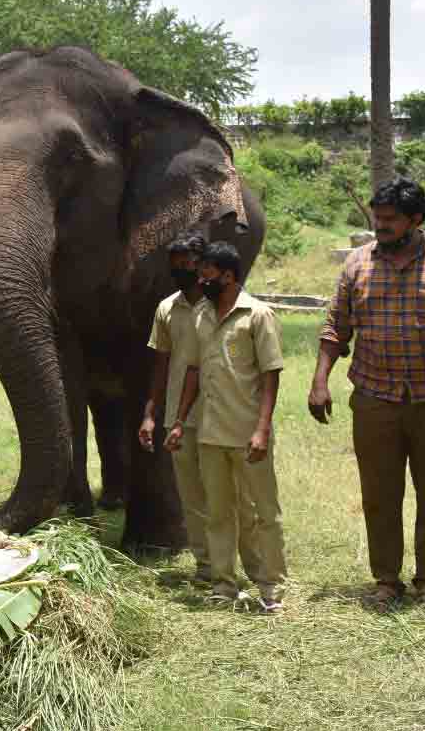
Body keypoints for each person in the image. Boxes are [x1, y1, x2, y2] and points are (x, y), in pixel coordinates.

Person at [310, 177, 425, 611]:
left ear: (415, 219)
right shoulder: (358, 264)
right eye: (377, 217)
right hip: (375, 399)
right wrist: (320, 380)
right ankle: (386, 580)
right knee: (379, 495)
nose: (379, 225)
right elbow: (336, 327)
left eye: (389, 219)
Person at [166, 242, 287, 612]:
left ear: (229, 276)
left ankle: (271, 586)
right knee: (218, 513)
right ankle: (223, 584)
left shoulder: (258, 315)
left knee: (263, 512)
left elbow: (270, 375)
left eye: (207, 274)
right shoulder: (201, 315)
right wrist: (179, 421)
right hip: (209, 432)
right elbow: (193, 370)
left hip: (248, 432)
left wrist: (262, 429)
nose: (200, 280)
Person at [139, 233, 251, 584]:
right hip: (180, 416)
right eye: (176, 266)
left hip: (223, 412)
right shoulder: (167, 309)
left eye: (189, 265)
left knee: (229, 495)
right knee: (191, 495)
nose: (183, 272)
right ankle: (206, 567)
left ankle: (238, 566)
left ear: (205, 266)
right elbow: (161, 364)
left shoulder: (224, 306)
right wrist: (150, 413)